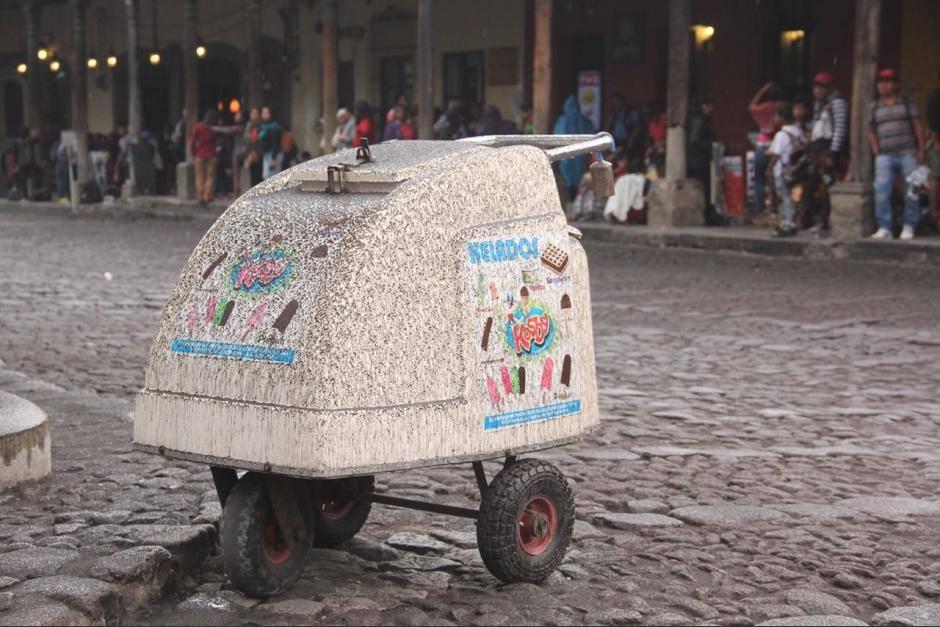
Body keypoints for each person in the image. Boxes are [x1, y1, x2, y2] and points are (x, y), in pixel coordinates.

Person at [868, 68, 925, 240]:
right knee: (881, 190)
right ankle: (885, 226)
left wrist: (921, 149)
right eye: (880, 82)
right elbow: (870, 131)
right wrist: (876, 151)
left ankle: (909, 225)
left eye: (887, 82)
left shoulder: (906, 103)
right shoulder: (874, 106)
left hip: (907, 152)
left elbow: (917, 126)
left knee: (911, 190)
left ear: (895, 84)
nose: (883, 86)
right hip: (884, 155)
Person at [748, 82, 787, 219]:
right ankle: (776, 209)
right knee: (777, 178)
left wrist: (761, 92)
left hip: (762, 145)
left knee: (759, 178)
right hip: (778, 145)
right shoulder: (783, 108)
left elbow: (751, 107)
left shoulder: (763, 108)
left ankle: (761, 210)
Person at [765, 104, 804, 237]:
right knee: (794, 199)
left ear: (781, 118)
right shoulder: (798, 131)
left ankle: (786, 225)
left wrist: (769, 170)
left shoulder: (781, 135)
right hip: (796, 171)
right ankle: (793, 222)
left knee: (784, 199)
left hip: (783, 171)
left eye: (776, 116)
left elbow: (776, 154)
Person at [553, 95, 596, 200]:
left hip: (566, 154)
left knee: (567, 177)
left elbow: (556, 137)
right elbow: (593, 137)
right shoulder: (585, 121)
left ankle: (570, 198)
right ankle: (578, 199)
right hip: (581, 155)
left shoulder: (562, 121)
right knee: (580, 177)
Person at [687, 97, 720, 225]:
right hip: (699, 159)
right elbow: (694, 141)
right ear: (704, 106)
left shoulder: (700, 119)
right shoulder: (700, 120)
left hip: (699, 158)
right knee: (704, 188)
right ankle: (706, 216)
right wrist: (711, 145)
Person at [190, 110, 219, 205]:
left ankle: (200, 196)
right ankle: (207, 196)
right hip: (211, 154)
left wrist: (193, 154)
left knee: (199, 176)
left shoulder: (197, 127)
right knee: (210, 177)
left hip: (199, 155)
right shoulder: (213, 129)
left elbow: (192, 142)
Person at [608, 94, 643, 160]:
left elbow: (637, 127)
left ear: (622, 102)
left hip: (626, 140)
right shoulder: (614, 114)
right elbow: (609, 127)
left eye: (617, 101)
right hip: (615, 139)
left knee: (616, 155)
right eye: (613, 102)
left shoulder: (631, 112)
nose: (615, 104)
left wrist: (631, 140)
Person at [258, 106, 283, 180]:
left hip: (273, 154)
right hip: (266, 153)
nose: (265, 115)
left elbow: (276, 143)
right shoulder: (262, 126)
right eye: (263, 113)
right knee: (266, 176)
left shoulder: (274, 126)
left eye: (267, 113)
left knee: (272, 178)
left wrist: (273, 158)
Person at [927, 86, 940, 223]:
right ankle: (934, 212)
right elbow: (933, 121)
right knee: (936, 176)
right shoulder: (935, 96)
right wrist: (936, 141)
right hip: (938, 142)